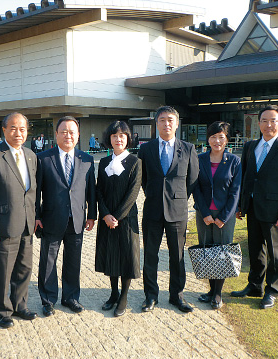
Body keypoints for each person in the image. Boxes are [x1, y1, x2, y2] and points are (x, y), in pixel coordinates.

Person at [231, 105, 278, 309]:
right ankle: (254, 286)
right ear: (258, 123)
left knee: (275, 252)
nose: (268, 125)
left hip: (275, 211)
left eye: (273, 121)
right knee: (255, 250)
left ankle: (272, 290)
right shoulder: (250, 146)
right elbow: (244, 178)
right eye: (264, 120)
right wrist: (241, 205)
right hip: (252, 207)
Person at [0, 112, 38, 328]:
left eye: (22, 129)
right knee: (3, 271)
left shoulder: (31, 155)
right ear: (3, 130)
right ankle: (3, 311)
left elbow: (31, 192)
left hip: (27, 224)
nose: (18, 133)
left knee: (24, 268)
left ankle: (20, 305)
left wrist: (35, 217)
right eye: (13, 128)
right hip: (4, 224)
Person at [138, 106, 198, 313]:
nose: (166, 124)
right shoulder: (146, 149)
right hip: (152, 209)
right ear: (156, 123)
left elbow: (192, 181)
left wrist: (177, 198)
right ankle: (150, 296)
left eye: (170, 120)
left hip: (178, 211)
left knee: (177, 256)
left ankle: (177, 296)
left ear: (177, 123)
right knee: (150, 256)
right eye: (162, 120)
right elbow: (143, 179)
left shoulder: (188, 148)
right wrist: (155, 194)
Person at [35, 116, 97, 316]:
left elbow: (91, 190)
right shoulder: (44, 158)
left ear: (78, 136)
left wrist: (92, 215)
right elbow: (36, 192)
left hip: (77, 219)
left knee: (73, 261)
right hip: (51, 219)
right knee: (48, 261)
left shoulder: (86, 159)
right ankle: (48, 299)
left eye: (72, 132)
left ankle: (71, 298)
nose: (68, 135)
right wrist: (36, 215)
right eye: (64, 132)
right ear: (56, 135)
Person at [192, 122, 241, 309]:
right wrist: (204, 212)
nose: (217, 140)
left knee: (222, 252)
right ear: (208, 139)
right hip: (204, 214)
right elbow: (195, 187)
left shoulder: (234, 161)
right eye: (213, 136)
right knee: (207, 250)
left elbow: (235, 192)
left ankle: (218, 293)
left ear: (227, 139)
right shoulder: (200, 159)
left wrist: (224, 217)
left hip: (224, 215)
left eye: (221, 137)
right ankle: (210, 290)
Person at [95, 121, 142, 317]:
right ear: (110, 139)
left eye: (122, 135)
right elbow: (99, 191)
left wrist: (117, 217)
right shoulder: (104, 163)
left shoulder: (135, 162)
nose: (118, 139)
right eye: (114, 135)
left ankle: (123, 296)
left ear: (128, 138)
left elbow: (133, 193)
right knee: (111, 255)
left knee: (126, 257)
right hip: (107, 219)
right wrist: (105, 214)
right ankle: (113, 293)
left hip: (126, 219)